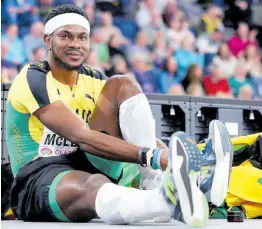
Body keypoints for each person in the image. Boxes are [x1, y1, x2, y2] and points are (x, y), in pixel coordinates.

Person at [6, 4, 233, 227]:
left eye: (82, 37)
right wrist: (156, 156)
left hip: (88, 160)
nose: (76, 44)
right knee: (93, 184)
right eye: (65, 36)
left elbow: (133, 133)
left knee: (122, 84)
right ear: (48, 40)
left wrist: (172, 158)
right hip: (39, 176)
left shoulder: (95, 79)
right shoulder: (33, 77)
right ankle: (166, 201)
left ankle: (181, 181)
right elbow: (82, 137)